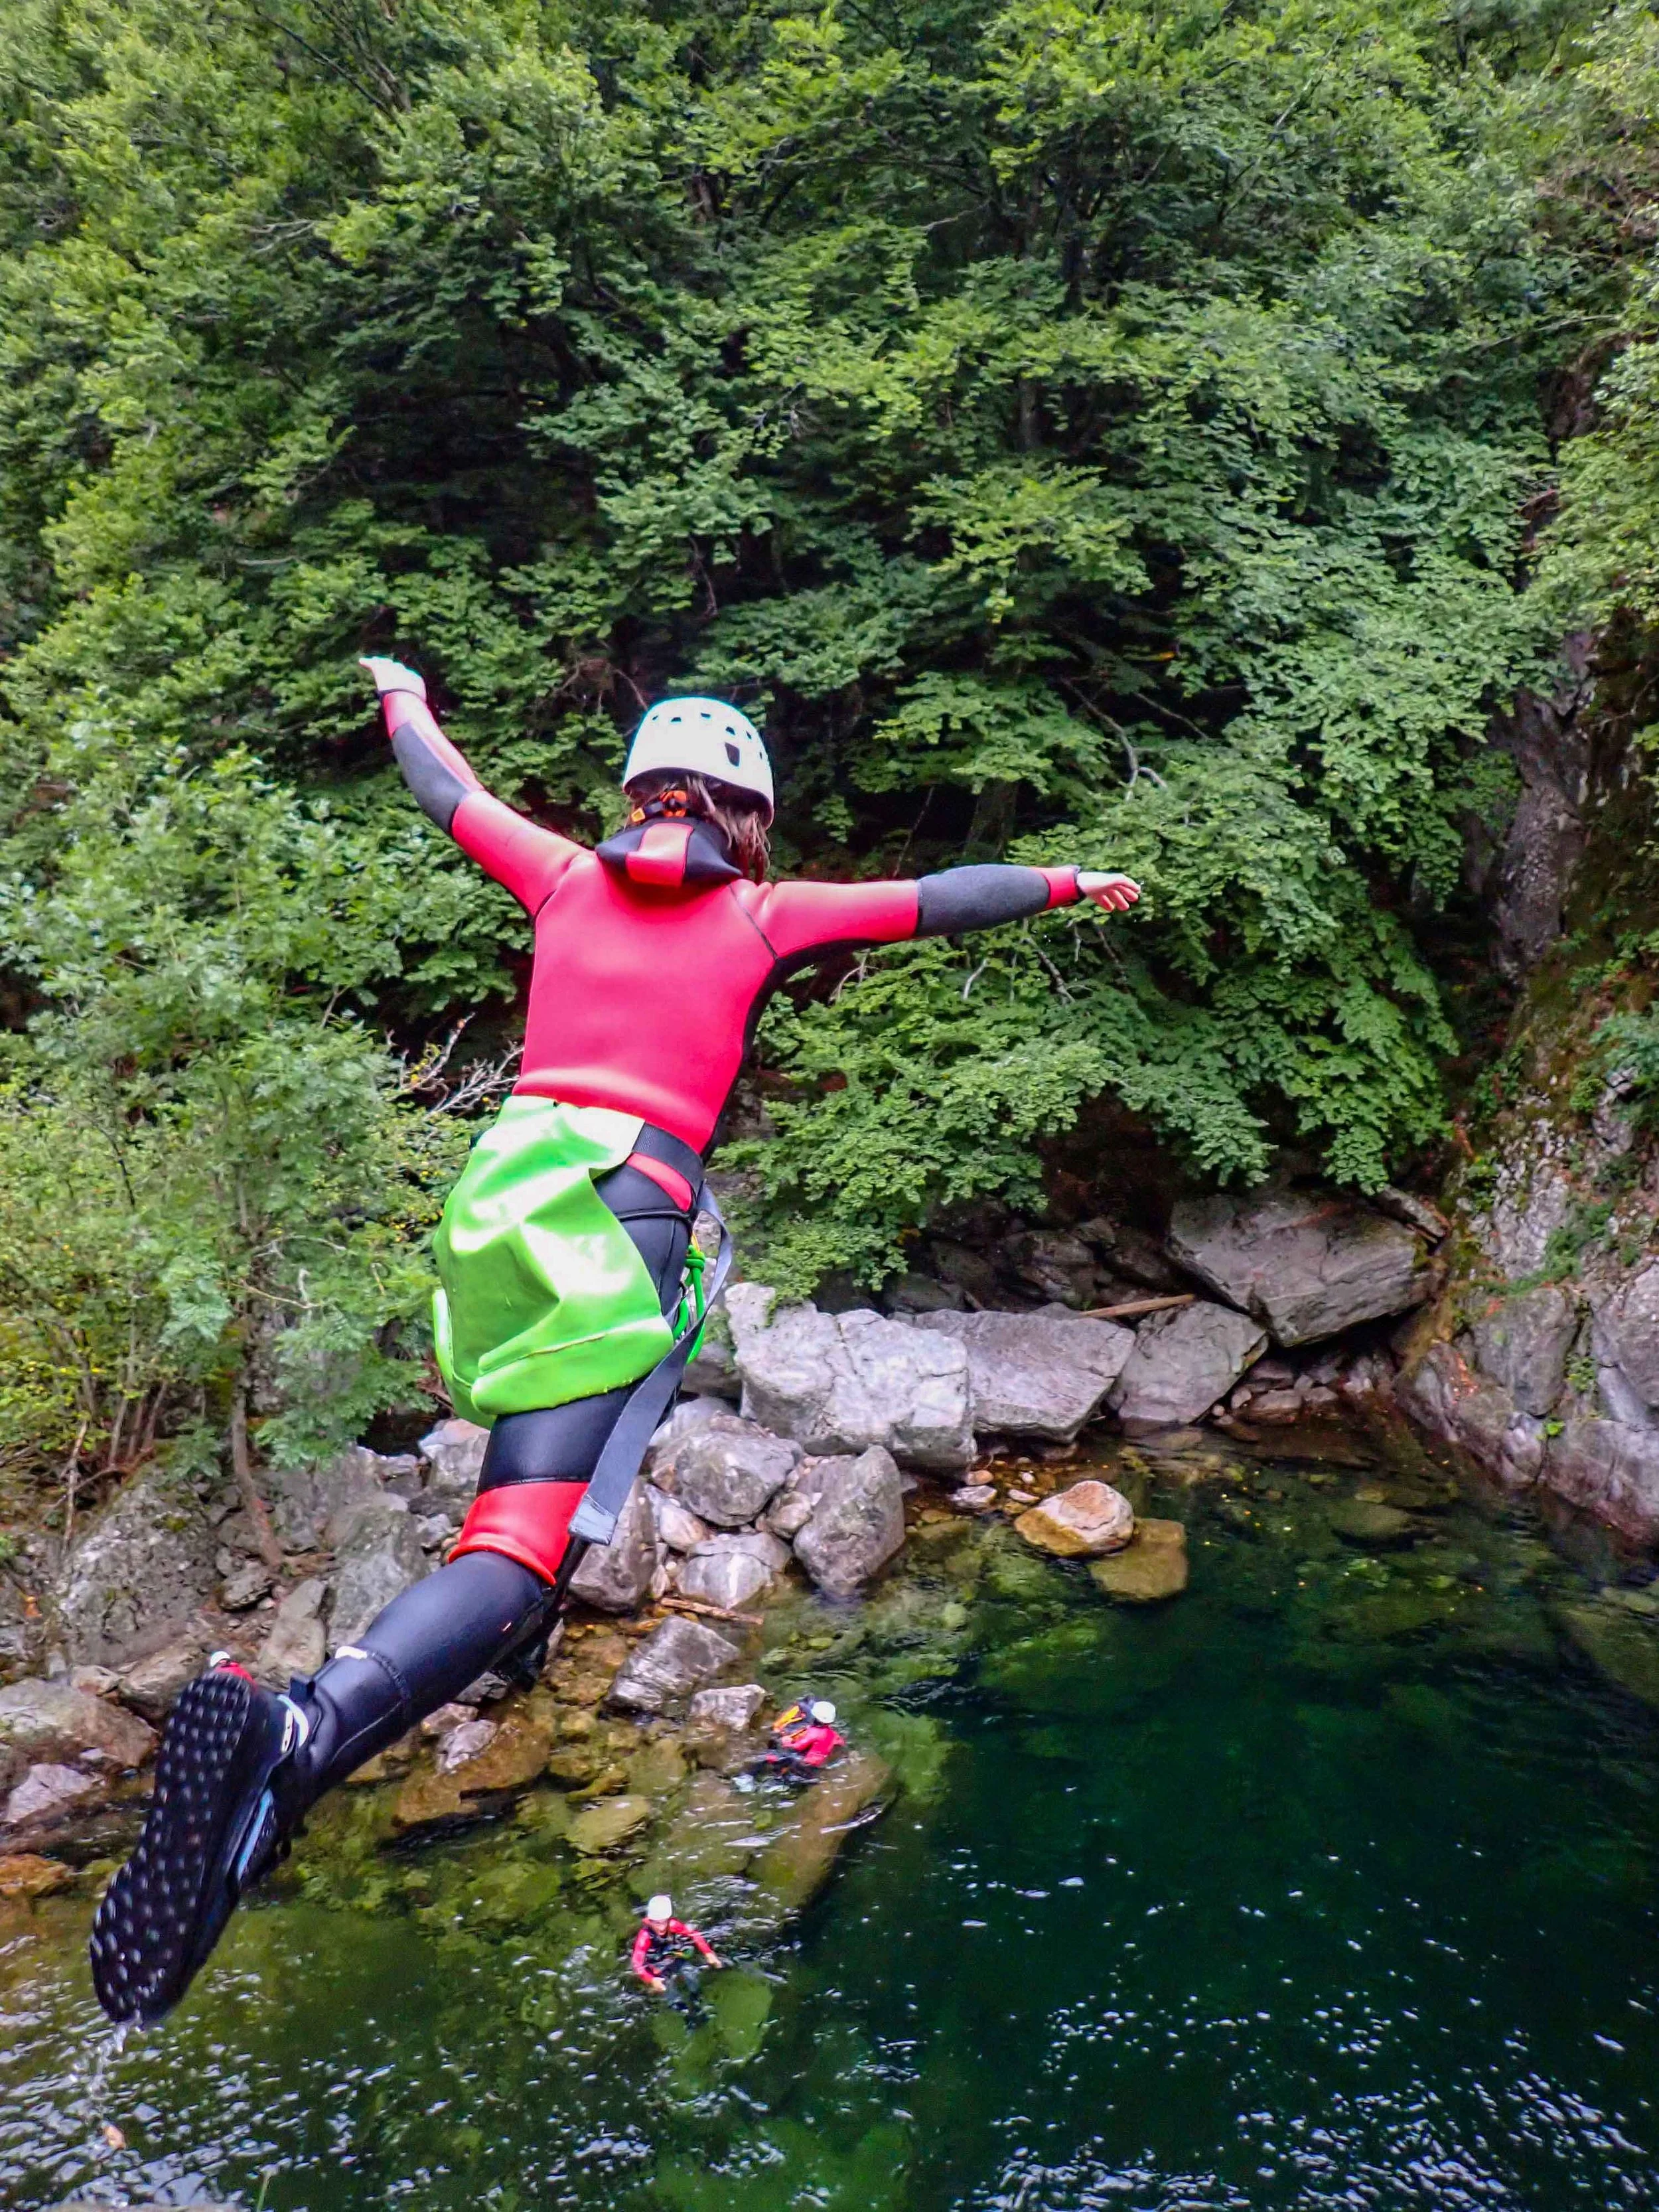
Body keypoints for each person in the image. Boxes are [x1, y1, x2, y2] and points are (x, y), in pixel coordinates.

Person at [90, 668, 1141, 2026]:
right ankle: (304, 1725)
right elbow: (936, 898)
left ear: (638, 791)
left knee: (514, 1546)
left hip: (501, 1209)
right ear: (745, 815)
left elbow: (441, 786)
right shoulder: (759, 914)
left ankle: (295, 1764)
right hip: (626, 1205)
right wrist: (1068, 877)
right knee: (514, 1555)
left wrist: (404, 694)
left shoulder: (558, 878)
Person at [630, 1893, 723, 2000]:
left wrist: (708, 1953)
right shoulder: (644, 1937)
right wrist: (651, 1980)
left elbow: (694, 1935)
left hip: (671, 1954)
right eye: (657, 1923)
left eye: (664, 1922)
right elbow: (637, 1964)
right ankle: (678, 2006)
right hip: (655, 1962)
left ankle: (696, 1997)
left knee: (690, 1972)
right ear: (649, 1921)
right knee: (667, 1989)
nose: (661, 1928)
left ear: (669, 1919)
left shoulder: (673, 1925)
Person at [741, 1698, 845, 1785]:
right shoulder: (833, 1734)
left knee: (770, 1758)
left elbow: (797, 1747)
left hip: (804, 1765)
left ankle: (747, 1778)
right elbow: (840, 1742)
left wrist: (787, 1741)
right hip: (816, 1768)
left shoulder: (814, 1732)